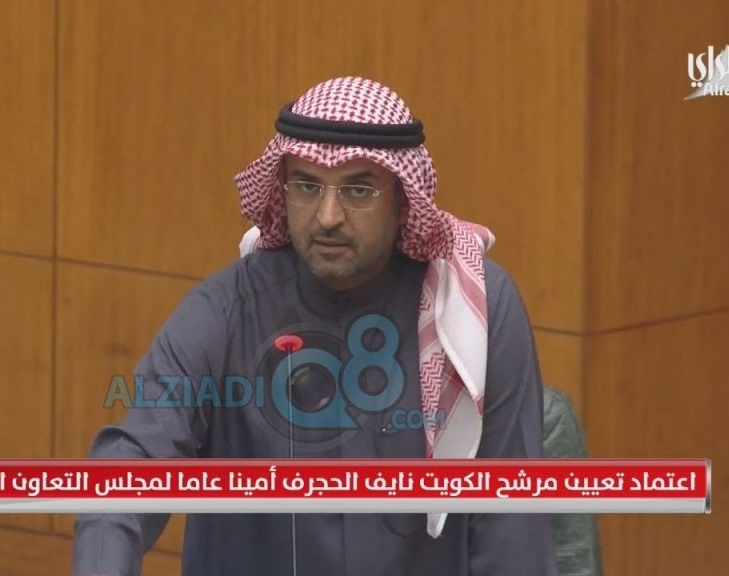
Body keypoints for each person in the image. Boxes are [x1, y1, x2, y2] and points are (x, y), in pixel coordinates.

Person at [72, 76, 556, 576]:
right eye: (306, 186)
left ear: (402, 200)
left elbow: (510, 526)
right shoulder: (227, 310)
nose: (327, 217)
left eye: (358, 189)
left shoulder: (472, 311)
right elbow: (130, 467)